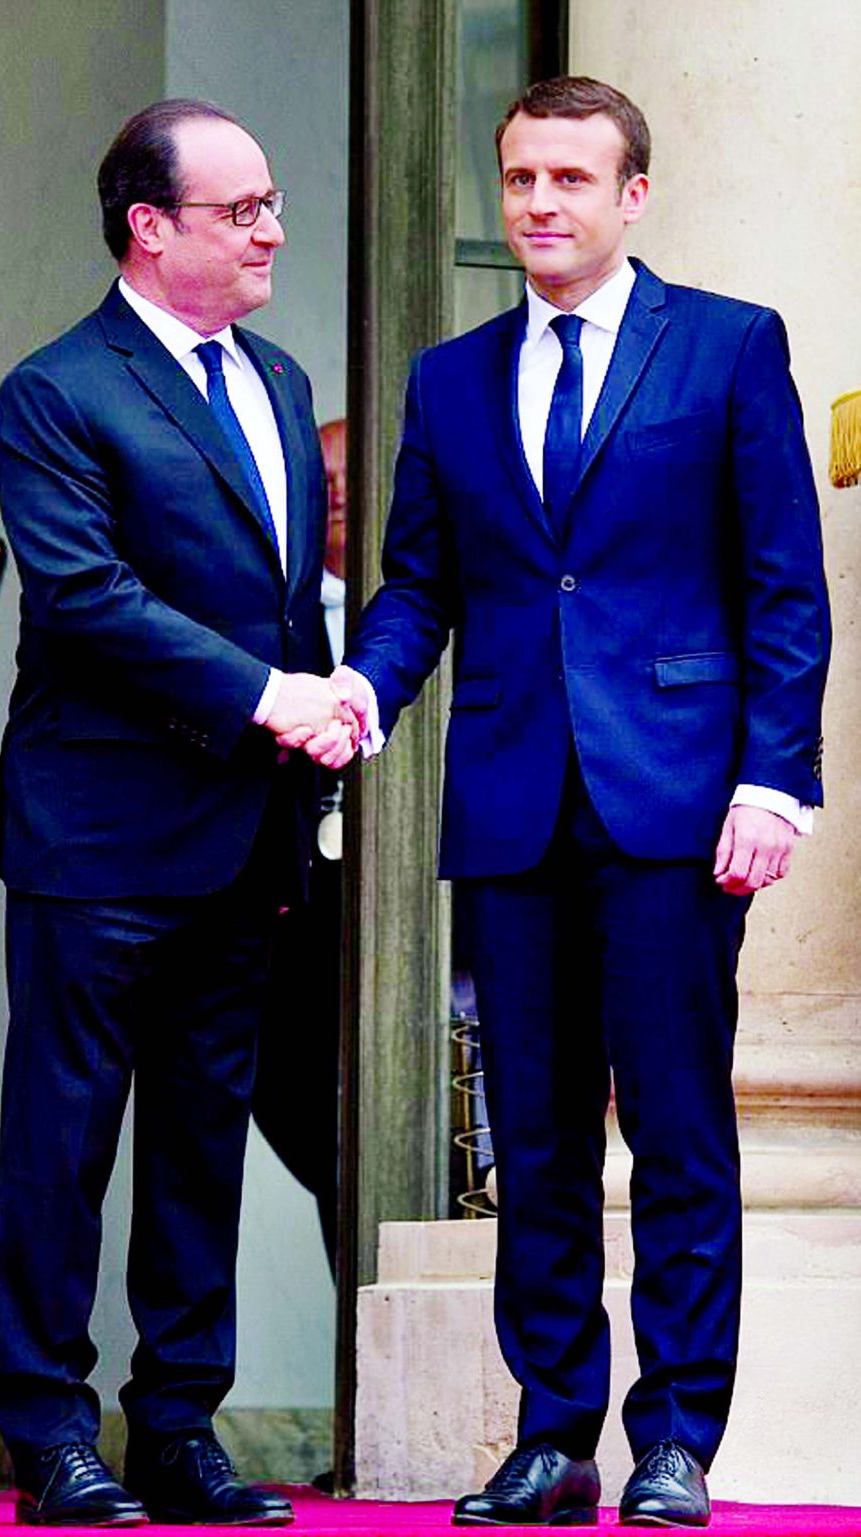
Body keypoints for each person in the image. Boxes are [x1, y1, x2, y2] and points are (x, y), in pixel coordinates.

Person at [324, 77, 830, 1527]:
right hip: (507, 799)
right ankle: (553, 1437)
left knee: (674, 1131)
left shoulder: (727, 347)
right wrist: (365, 688)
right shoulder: (449, 377)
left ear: (629, 196)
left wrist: (775, 779)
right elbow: (420, 579)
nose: (536, 204)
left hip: (675, 804)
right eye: (516, 180)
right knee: (533, 1144)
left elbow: (780, 585)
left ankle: (674, 1439)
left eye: (565, 179)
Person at [0, 98, 356, 1528]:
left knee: (202, 1139)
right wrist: (275, 694)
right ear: (149, 226)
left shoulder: (275, 378)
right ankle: (49, 1435)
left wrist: (327, 704)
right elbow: (87, 603)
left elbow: (274, 598)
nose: (271, 228)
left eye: (269, 205)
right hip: (96, 836)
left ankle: (177, 1430)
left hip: (244, 832)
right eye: (240, 208)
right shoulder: (57, 390)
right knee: (64, 1144)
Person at [252, 418, 348, 1276]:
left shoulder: (435, 605)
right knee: (309, 1124)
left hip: (432, 922)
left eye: (361, 471)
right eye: (326, 475)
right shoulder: (270, 611)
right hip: (292, 914)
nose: (344, 489)